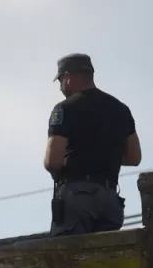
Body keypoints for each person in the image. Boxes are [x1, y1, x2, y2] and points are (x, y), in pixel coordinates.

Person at [44, 53, 141, 236]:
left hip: (77, 198)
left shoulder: (64, 108)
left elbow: (52, 160)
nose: (60, 88)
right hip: (110, 199)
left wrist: (77, 159)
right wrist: (102, 156)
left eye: (61, 81)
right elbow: (134, 157)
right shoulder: (121, 109)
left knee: (69, 257)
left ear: (68, 78)